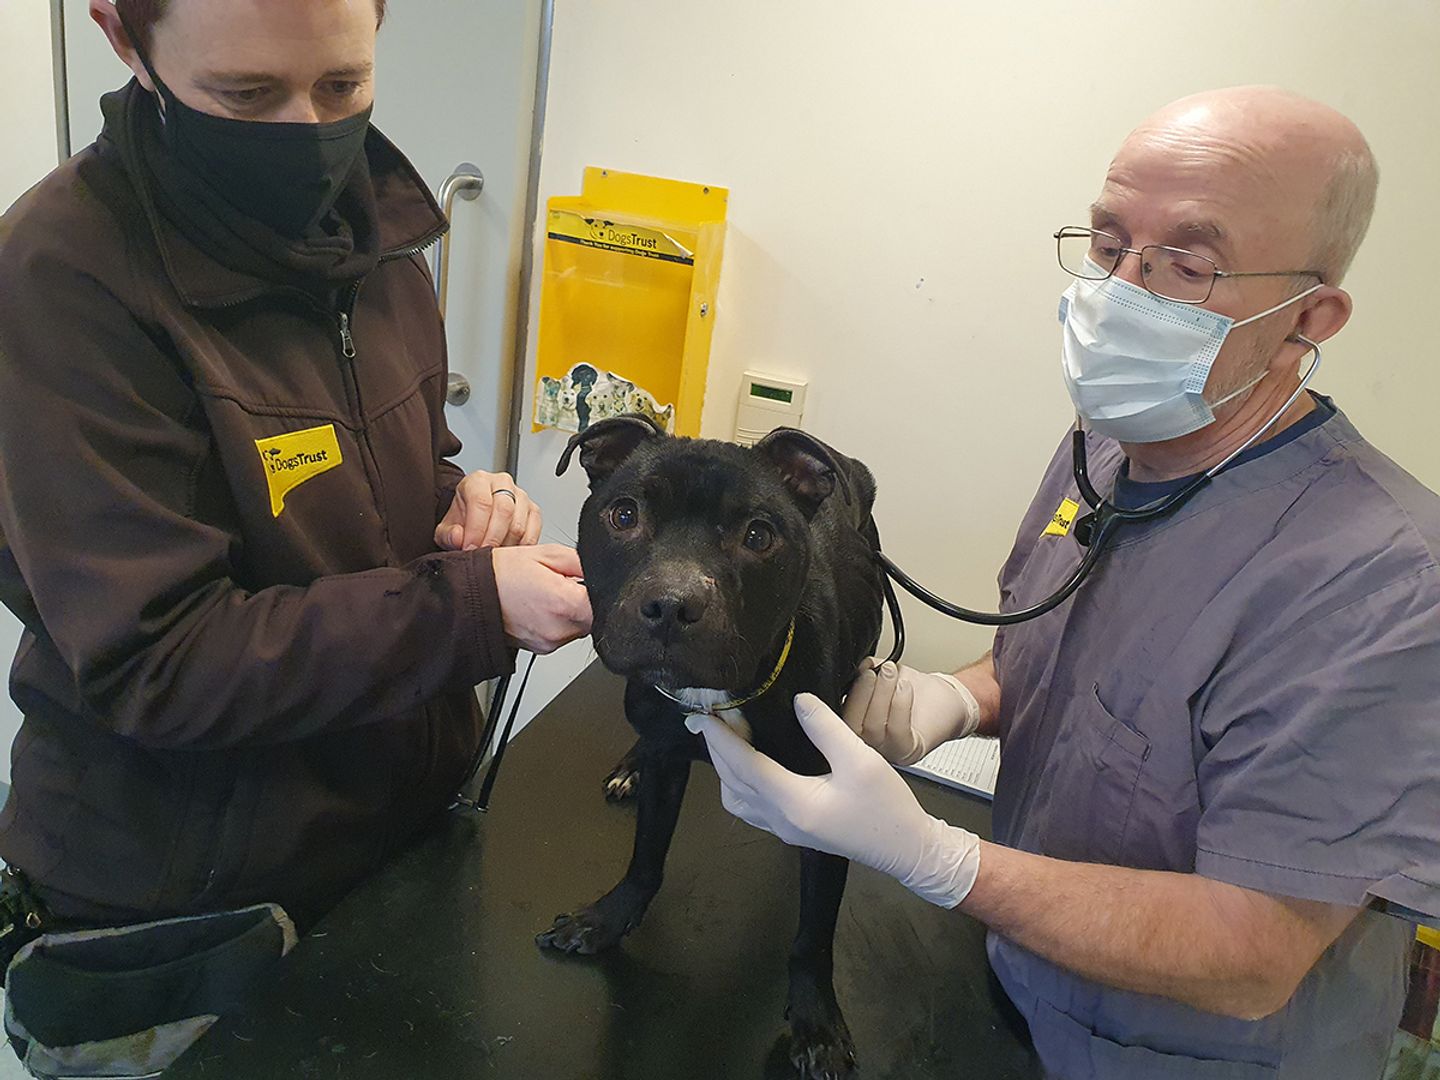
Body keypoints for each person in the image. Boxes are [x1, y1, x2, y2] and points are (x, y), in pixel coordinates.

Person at [689, 86, 1440, 1079]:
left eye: (1188, 262)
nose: (1122, 290)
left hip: (1189, 1056)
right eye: (1107, 242)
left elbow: (1255, 953)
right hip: (1021, 978)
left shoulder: (1383, 582)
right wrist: (957, 699)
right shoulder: (1108, 441)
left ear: (1310, 314)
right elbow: (1072, 657)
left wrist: (936, 859)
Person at [0, 0, 590, 1071]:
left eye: (341, 88)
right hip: (187, 910)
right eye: (245, 94)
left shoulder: (375, 240)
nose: (306, 136)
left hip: (387, 842)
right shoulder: (59, 278)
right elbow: (158, 661)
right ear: (123, 35)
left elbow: (348, 480)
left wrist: (456, 512)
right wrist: (469, 606)